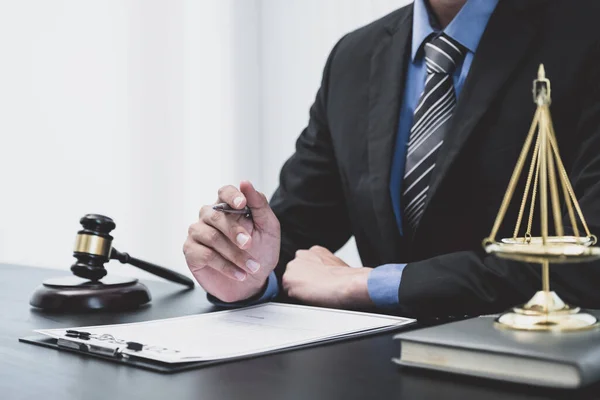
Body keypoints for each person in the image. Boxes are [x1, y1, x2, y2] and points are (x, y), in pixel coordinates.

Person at [183, 0, 600, 319]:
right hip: (380, 373)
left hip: (537, 368)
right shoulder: (354, 58)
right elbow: (293, 234)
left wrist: (370, 283)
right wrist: (246, 271)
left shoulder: (584, 37)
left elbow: (585, 261)